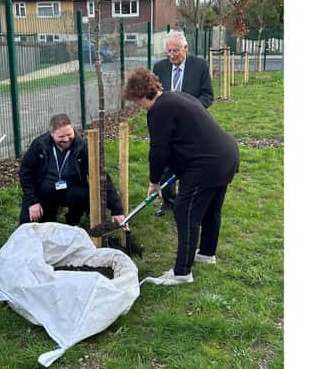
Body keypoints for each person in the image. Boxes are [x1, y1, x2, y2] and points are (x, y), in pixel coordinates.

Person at [123, 67, 239, 284]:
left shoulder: (159, 110)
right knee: (211, 208)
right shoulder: (177, 96)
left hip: (206, 165)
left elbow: (159, 150)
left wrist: (154, 181)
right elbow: (187, 136)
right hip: (226, 155)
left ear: (141, 96)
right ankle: (206, 253)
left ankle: (182, 272)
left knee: (185, 212)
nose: (138, 106)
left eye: (137, 101)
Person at [18, 113, 125, 227]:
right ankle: (48, 216)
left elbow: (101, 176)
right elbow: (26, 172)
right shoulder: (40, 145)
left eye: (69, 134)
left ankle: (73, 220)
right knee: (27, 225)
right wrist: (33, 201)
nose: (66, 139)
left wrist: (116, 209)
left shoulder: (81, 147)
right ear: (51, 134)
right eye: (61, 137)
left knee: (83, 194)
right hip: (44, 191)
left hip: (70, 190)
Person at [152, 29, 214, 218]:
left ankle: (189, 201)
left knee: (190, 164)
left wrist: (193, 109)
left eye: (176, 51)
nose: (171, 55)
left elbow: (208, 95)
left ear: (185, 48)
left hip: (192, 125)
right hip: (168, 125)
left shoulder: (200, 65)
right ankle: (168, 201)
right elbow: (153, 94)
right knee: (165, 163)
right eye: (168, 51)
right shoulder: (159, 68)